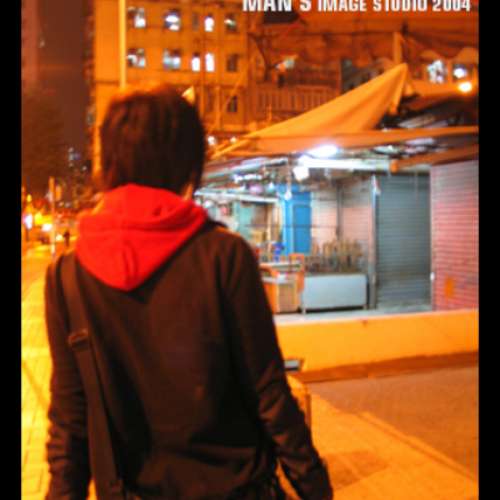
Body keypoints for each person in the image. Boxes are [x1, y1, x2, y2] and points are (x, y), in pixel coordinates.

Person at [44, 84, 333, 500]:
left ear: (110, 162)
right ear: (186, 162)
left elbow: (70, 423)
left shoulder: (67, 278)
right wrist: (314, 486)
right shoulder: (224, 256)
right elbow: (268, 393)